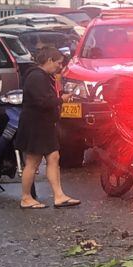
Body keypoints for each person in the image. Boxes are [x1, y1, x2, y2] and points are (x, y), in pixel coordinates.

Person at [16, 47, 79, 209]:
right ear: (49, 60)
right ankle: (26, 197)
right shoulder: (36, 77)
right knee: (32, 161)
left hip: (45, 124)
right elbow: (43, 101)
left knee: (54, 157)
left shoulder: (45, 76)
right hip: (35, 125)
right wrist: (61, 99)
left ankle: (59, 196)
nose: (60, 66)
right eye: (58, 63)